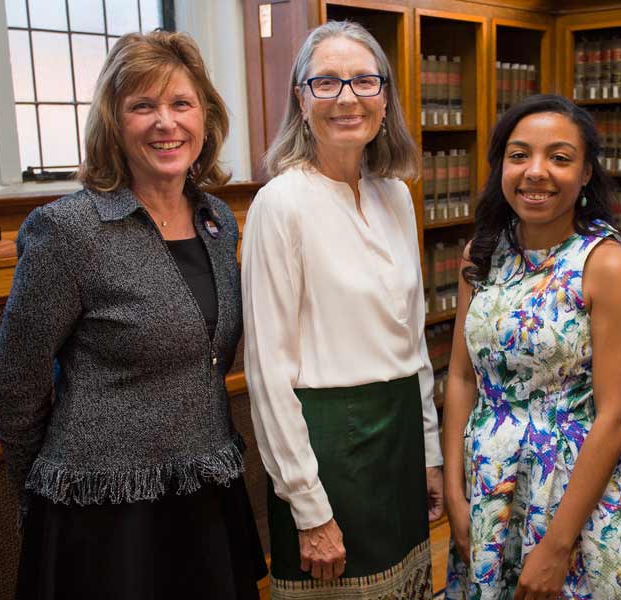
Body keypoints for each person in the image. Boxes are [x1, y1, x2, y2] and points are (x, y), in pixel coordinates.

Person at [0, 31, 267, 599]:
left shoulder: (218, 221)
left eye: (180, 104)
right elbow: (13, 382)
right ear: (114, 123)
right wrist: (40, 494)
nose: (166, 122)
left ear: (205, 117)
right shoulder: (69, 230)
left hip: (203, 493)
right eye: (143, 106)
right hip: (102, 517)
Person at [241, 20, 443, 599]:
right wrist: (307, 505)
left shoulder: (395, 196)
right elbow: (268, 374)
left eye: (363, 81)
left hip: (399, 436)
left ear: (385, 98)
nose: (347, 98)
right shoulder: (280, 204)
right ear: (301, 99)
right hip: (329, 452)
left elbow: (412, 340)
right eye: (325, 83)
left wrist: (428, 452)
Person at [443, 94, 621, 600]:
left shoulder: (607, 265)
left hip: (572, 497)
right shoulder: (481, 255)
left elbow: (616, 417)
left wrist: (557, 545)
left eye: (559, 158)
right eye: (519, 156)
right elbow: (459, 376)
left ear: (585, 174)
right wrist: (456, 493)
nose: (535, 172)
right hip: (489, 487)